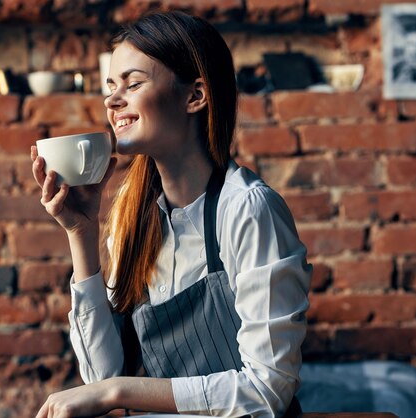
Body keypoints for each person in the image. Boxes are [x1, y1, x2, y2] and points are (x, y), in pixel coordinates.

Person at [30, 11, 312, 418]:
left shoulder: (248, 210)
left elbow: (267, 390)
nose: (112, 100)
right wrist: (81, 232)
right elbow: (101, 375)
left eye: (133, 83)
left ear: (195, 96)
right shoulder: (133, 220)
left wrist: (118, 393)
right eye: (110, 87)